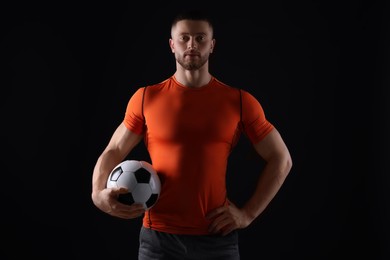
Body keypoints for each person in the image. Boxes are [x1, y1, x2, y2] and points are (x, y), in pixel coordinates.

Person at [91, 9, 293, 260]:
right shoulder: (146, 98)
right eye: (184, 37)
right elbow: (114, 150)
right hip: (158, 240)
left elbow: (281, 159)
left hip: (217, 239)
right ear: (172, 45)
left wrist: (247, 214)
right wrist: (98, 194)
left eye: (200, 38)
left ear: (212, 45)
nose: (192, 44)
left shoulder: (239, 101)